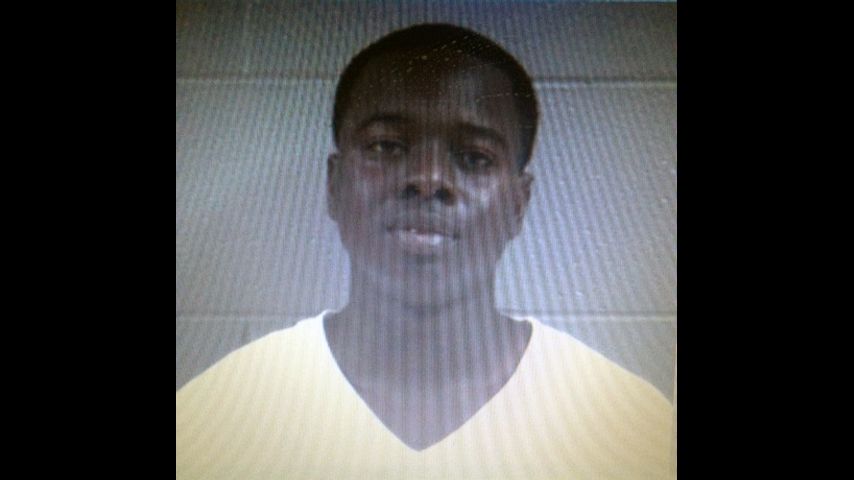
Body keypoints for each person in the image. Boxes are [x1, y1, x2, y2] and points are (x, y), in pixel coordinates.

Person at [177, 24, 674, 479]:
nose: (428, 178)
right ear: (334, 185)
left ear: (518, 205)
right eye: (386, 146)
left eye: (474, 157)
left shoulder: (629, 427)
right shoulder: (218, 414)